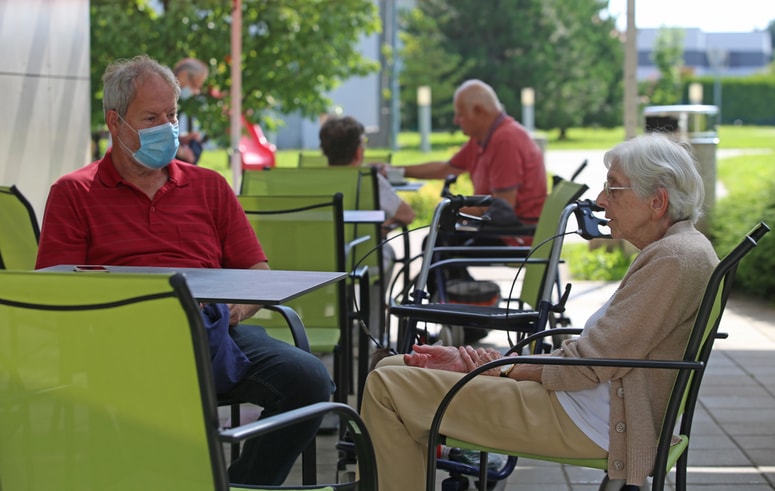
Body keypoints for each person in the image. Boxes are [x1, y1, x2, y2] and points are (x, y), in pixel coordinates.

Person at [34, 54, 334, 486]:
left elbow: (256, 270)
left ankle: (239, 484)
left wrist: (232, 309)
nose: (168, 127)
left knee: (309, 381)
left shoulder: (208, 186)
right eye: (152, 117)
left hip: (214, 333)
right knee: (163, 402)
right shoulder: (74, 193)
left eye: (172, 114)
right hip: (124, 346)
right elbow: (54, 295)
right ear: (115, 123)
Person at [360, 133, 719, 490]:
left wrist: (500, 368)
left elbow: (590, 364)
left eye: (614, 189)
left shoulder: (673, 258)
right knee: (396, 367)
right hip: (586, 407)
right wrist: (496, 363)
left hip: (588, 421)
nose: (600, 200)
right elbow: (597, 356)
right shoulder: (680, 249)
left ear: (657, 202)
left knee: (387, 385)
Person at [383, 79, 547, 246]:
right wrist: (393, 170)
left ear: (479, 111)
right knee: (438, 241)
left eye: (460, 114)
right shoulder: (483, 137)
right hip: (502, 227)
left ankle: (444, 272)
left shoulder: (505, 140)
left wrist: (451, 212)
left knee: (439, 243)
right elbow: (446, 169)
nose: (456, 120)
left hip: (516, 234)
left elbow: (503, 207)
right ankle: (449, 273)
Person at [319, 114, 416, 337]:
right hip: (362, 259)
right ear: (358, 152)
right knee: (386, 253)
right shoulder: (369, 179)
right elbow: (408, 215)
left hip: (320, 260)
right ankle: (372, 329)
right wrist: (385, 223)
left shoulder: (313, 179)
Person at [173, 57, 209, 164]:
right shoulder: (163, 96)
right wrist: (182, 152)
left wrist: (182, 139)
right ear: (184, 75)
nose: (197, 91)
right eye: (195, 84)